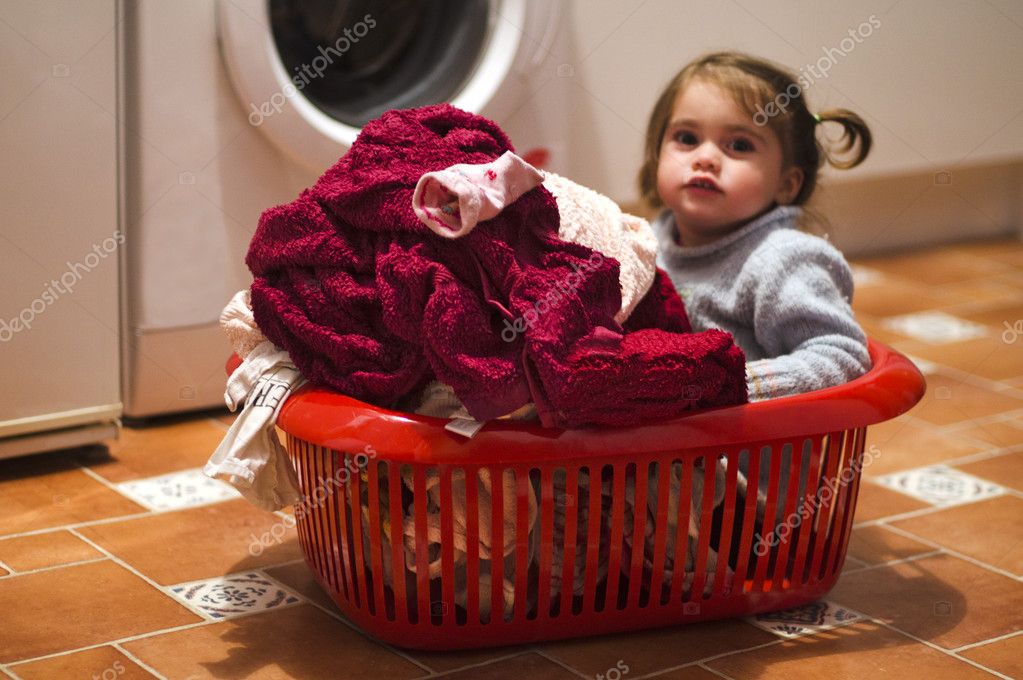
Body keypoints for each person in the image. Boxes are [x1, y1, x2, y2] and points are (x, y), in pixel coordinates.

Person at [639, 51, 872, 402]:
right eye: (687, 138)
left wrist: (733, 383)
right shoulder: (648, 241)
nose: (704, 158)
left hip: (747, 452)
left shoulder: (782, 260)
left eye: (739, 145)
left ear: (786, 184)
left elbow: (842, 355)